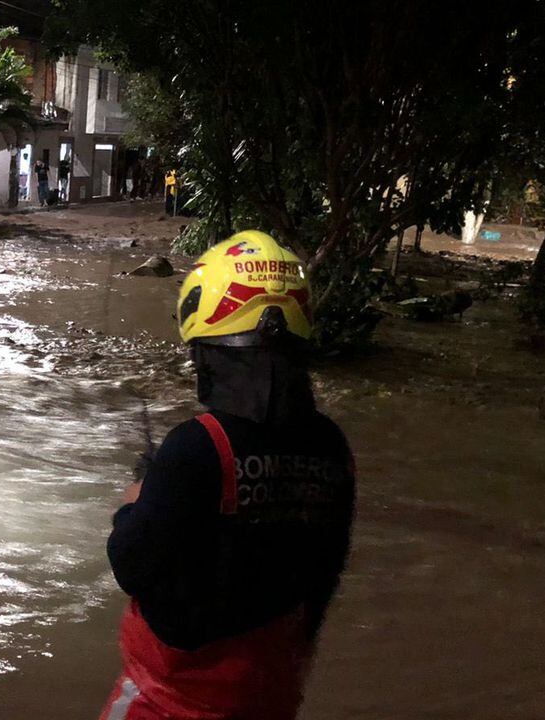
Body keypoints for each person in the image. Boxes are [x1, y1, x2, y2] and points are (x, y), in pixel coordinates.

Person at [99, 230, 356, 720]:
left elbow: (130, 564)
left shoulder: (195, 446)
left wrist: (133, 502)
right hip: (270, 698)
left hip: (169, 702)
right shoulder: (331, 448)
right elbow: (325, 573)